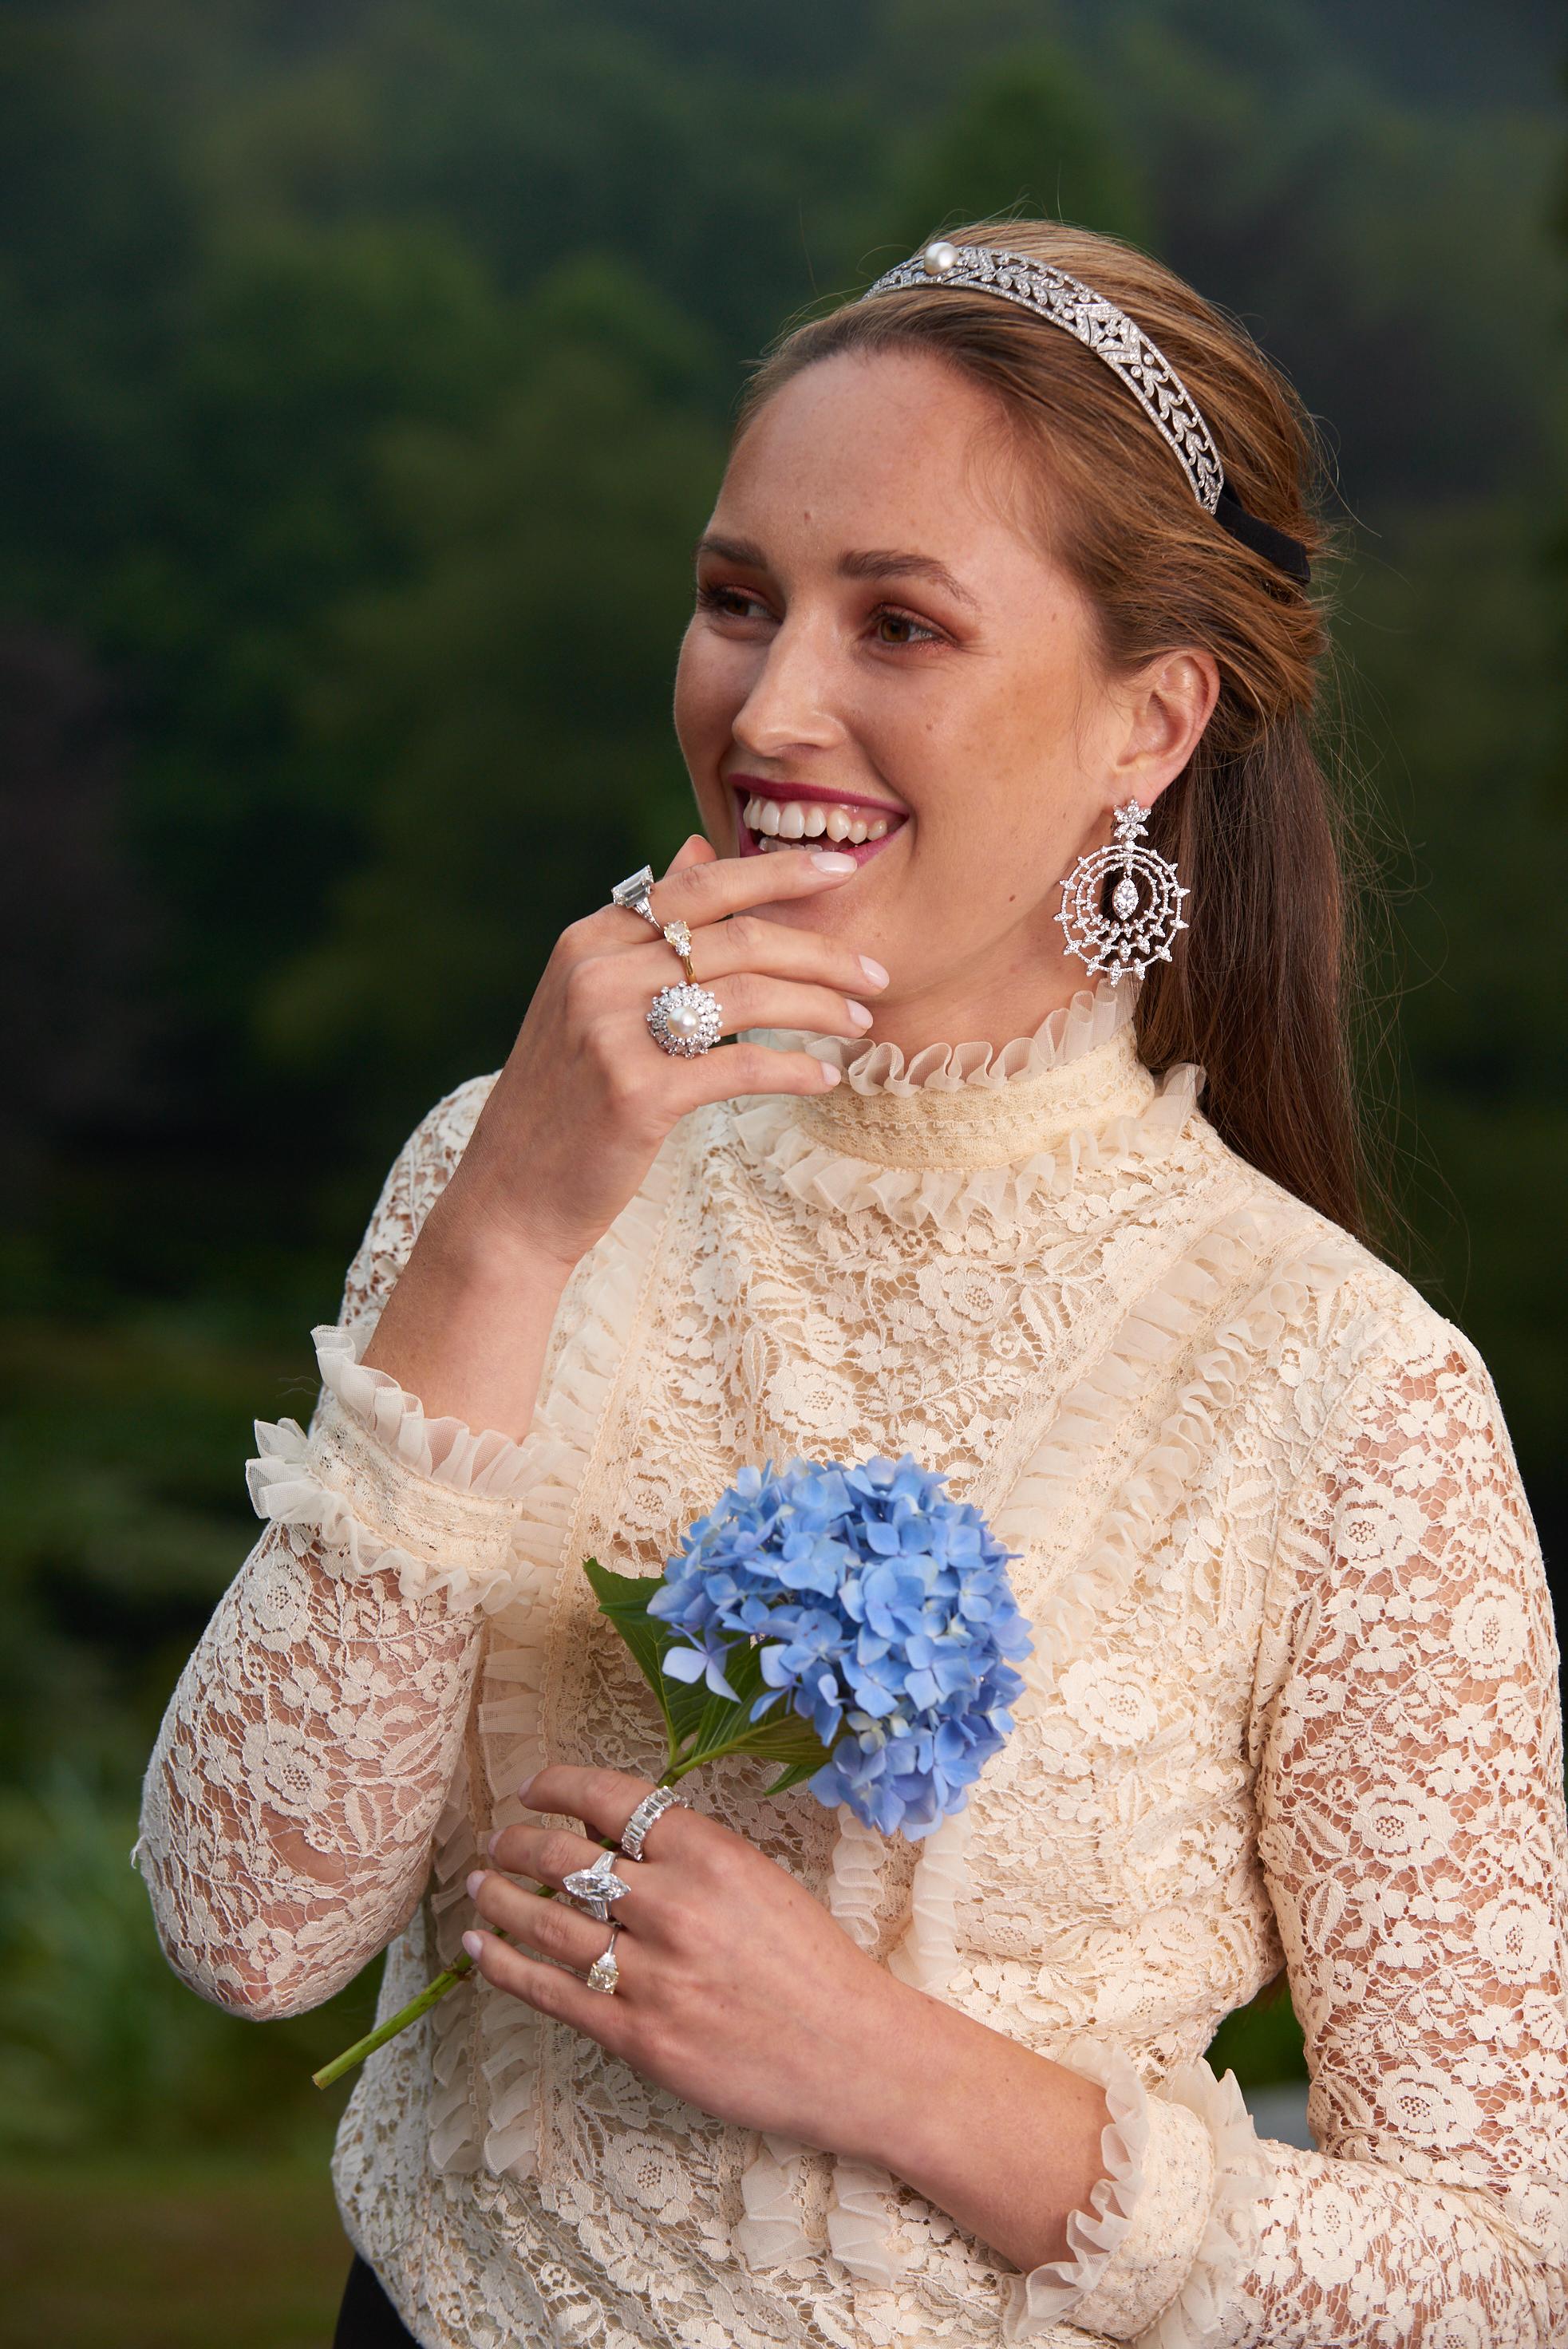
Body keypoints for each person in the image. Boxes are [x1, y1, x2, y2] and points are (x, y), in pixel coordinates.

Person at [133, 219, 1568, 2349]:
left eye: (900, 622)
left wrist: (891, 2071)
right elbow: (249, 1931)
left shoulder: (1343, 1385)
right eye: (737, 601)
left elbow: (1505, 2266)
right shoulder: (503, 1163)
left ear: (1149, 722)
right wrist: (512, 1226)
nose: (770, 702)